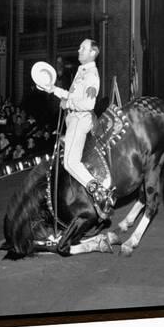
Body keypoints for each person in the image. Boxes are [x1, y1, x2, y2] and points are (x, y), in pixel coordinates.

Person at [42, 39, 114, 218]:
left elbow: (88, 103)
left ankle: (99, 193)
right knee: (66, 161)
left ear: (93, 52)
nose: (79, 49)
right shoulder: (82, 71)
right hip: (73, 119)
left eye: (83, 48)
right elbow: (71, 95)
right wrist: (52, 89)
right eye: (80, 46)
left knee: (70, 162)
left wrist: (69, 103)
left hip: (80, 119)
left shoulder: (91, 75)